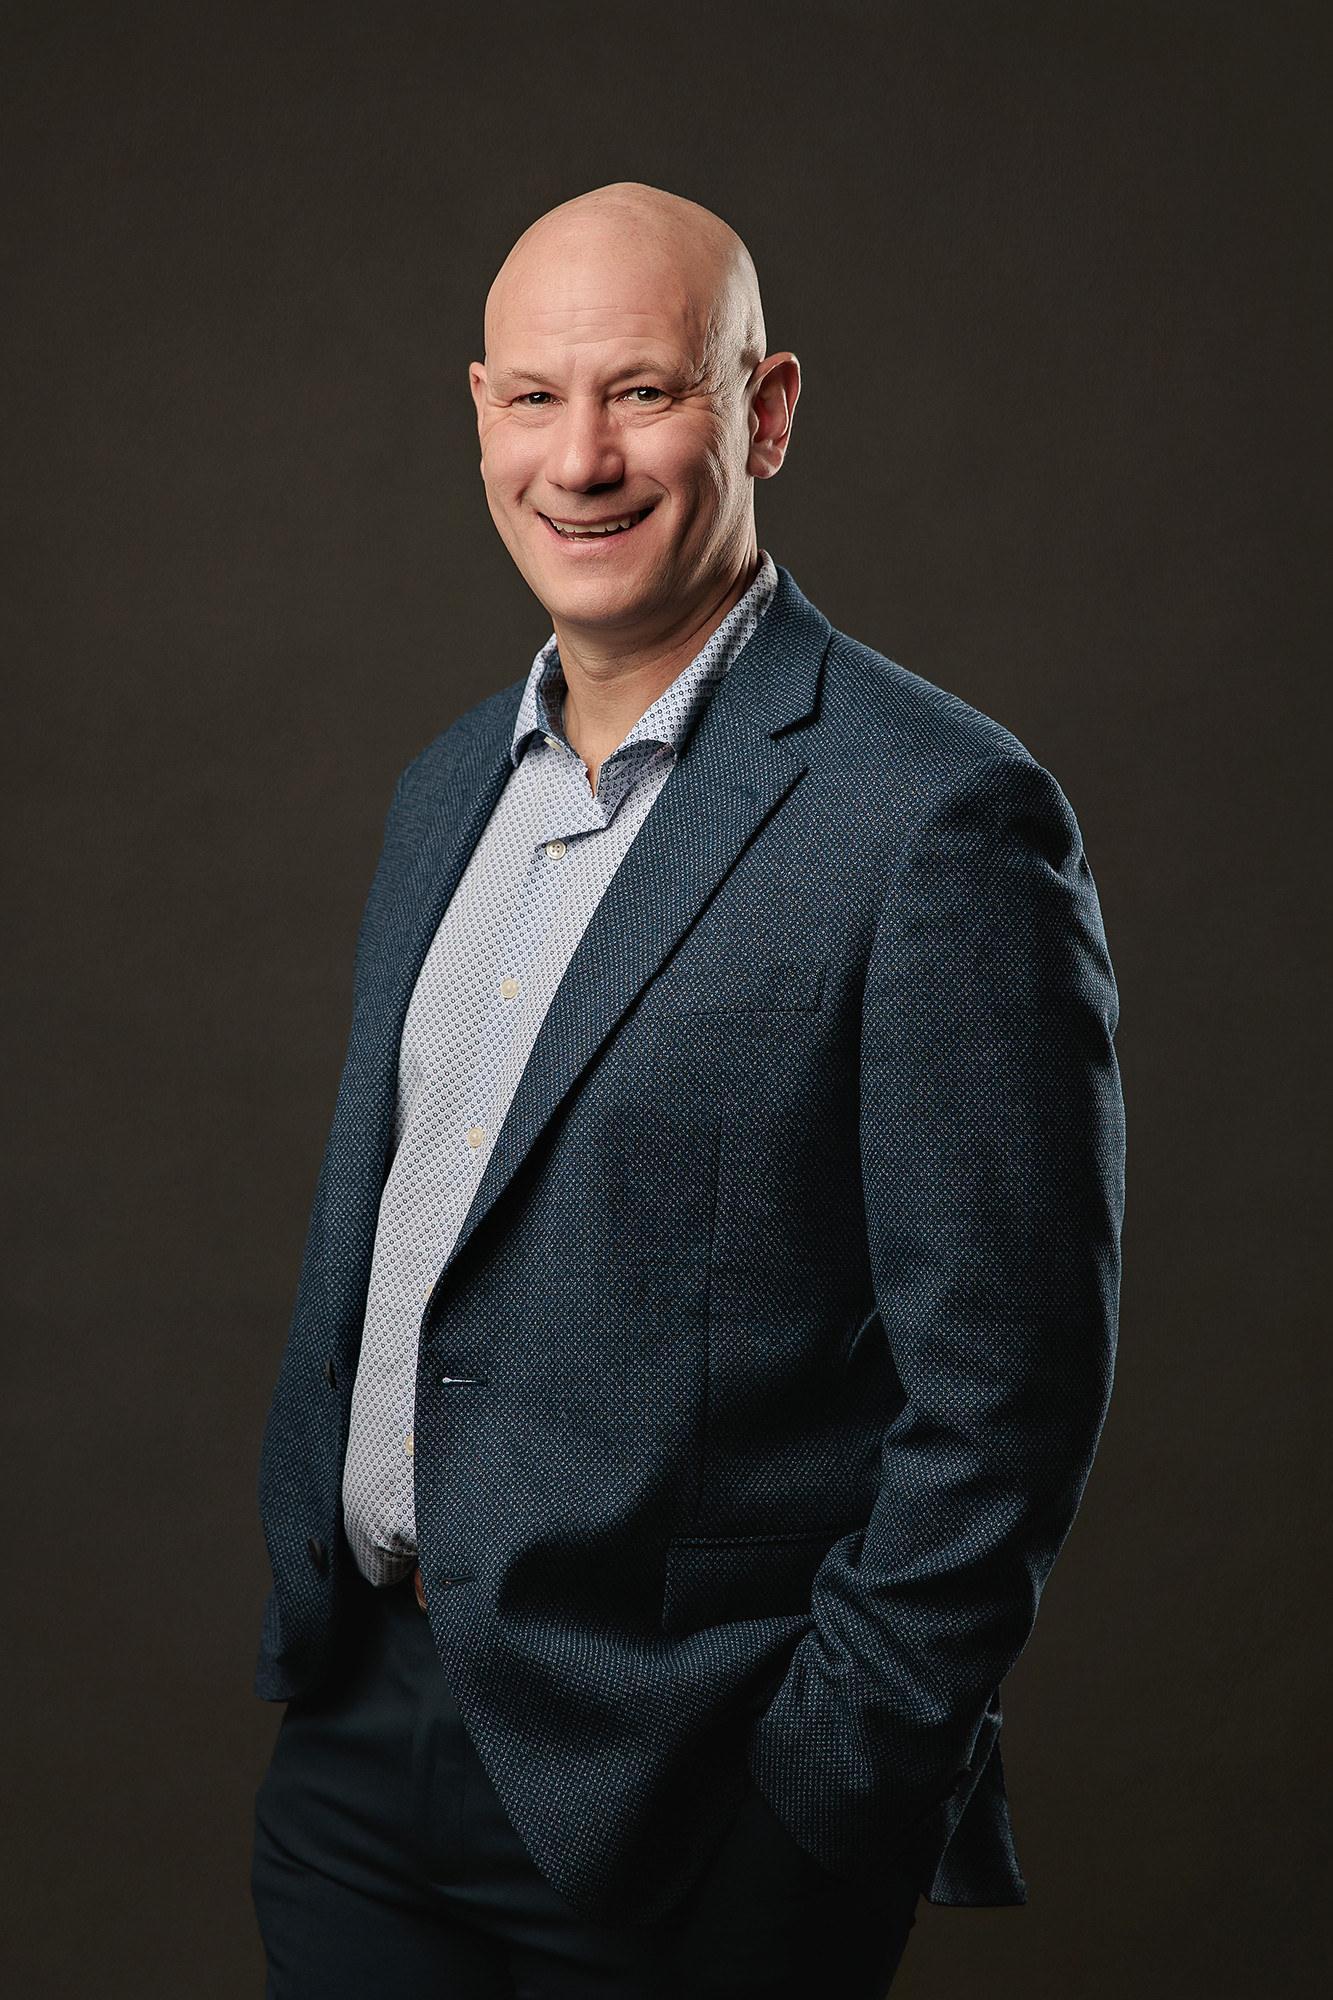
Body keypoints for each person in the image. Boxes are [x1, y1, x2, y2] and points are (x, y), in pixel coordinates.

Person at [250, 182, 1124, 1998]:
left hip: (694, 1794)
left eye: (643, 392)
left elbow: (1007, 1392)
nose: (580, 460)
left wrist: (823, 1798)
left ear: (765, 410)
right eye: (534, 397)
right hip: (363, 1748)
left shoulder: (936, 816)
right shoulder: (445, 790)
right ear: (479, 414)